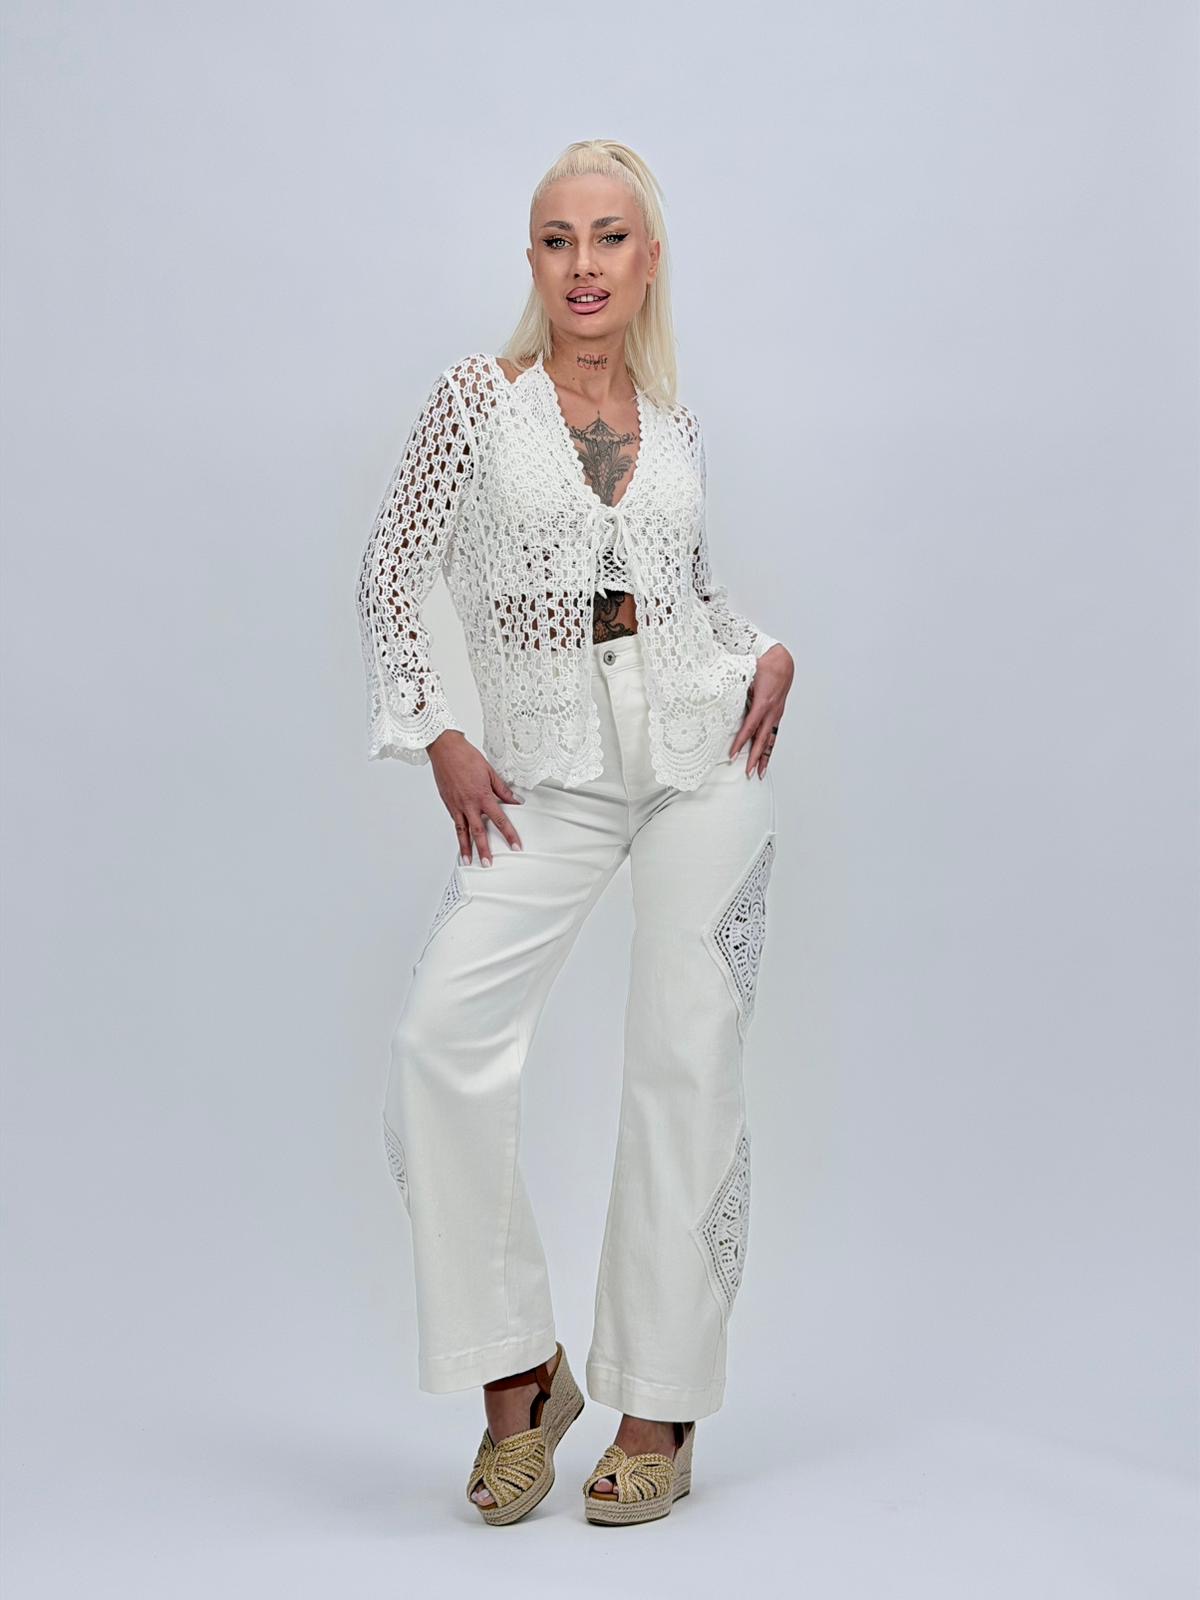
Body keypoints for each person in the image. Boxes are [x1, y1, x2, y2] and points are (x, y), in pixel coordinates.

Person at [355, 139, 794, 1526]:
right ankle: (520, 1379)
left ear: (648, 262)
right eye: (559, 239)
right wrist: (440, 731)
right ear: (533, 260)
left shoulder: (676, 428)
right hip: (545, 772)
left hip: (704, 759)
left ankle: (658, 1401)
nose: (584, 264)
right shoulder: (475, 404)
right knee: (441, 1042)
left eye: (610, 238)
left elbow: (689, 595)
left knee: (685, 1063)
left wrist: (766, 647)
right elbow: (389, 575)